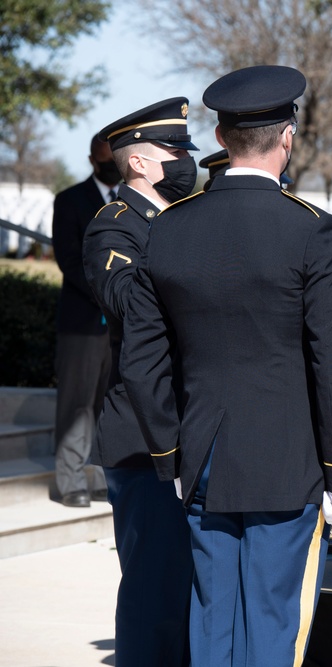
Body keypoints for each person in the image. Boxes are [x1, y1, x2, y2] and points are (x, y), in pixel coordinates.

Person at [120, 65, 332, 667]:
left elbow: (144, 358)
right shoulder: (310, 229)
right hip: (289, 462)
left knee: (213, 613)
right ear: (287, 137)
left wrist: (168, 455)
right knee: (275, 618)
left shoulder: (167, 229)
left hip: (201, 456)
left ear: (222, 139)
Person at [81, 97, 200, 666]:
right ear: (139, 165)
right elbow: (130, 305)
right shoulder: (113, 228)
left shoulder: (178, 222)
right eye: (173, 152)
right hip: (143, 436)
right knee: (154, 585)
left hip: (191, 424)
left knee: (189, 587)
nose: (185, 162)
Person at [51, 134, 118, 507]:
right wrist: (109, 293)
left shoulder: (127, 203)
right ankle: (70, 480)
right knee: (76, 404)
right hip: (83, 322)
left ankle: (99, 478)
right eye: (105, 158)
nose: (111, 165)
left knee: (108, 406)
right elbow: (69, 260)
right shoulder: (70, 200)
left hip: (119, 326)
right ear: (92, 159)